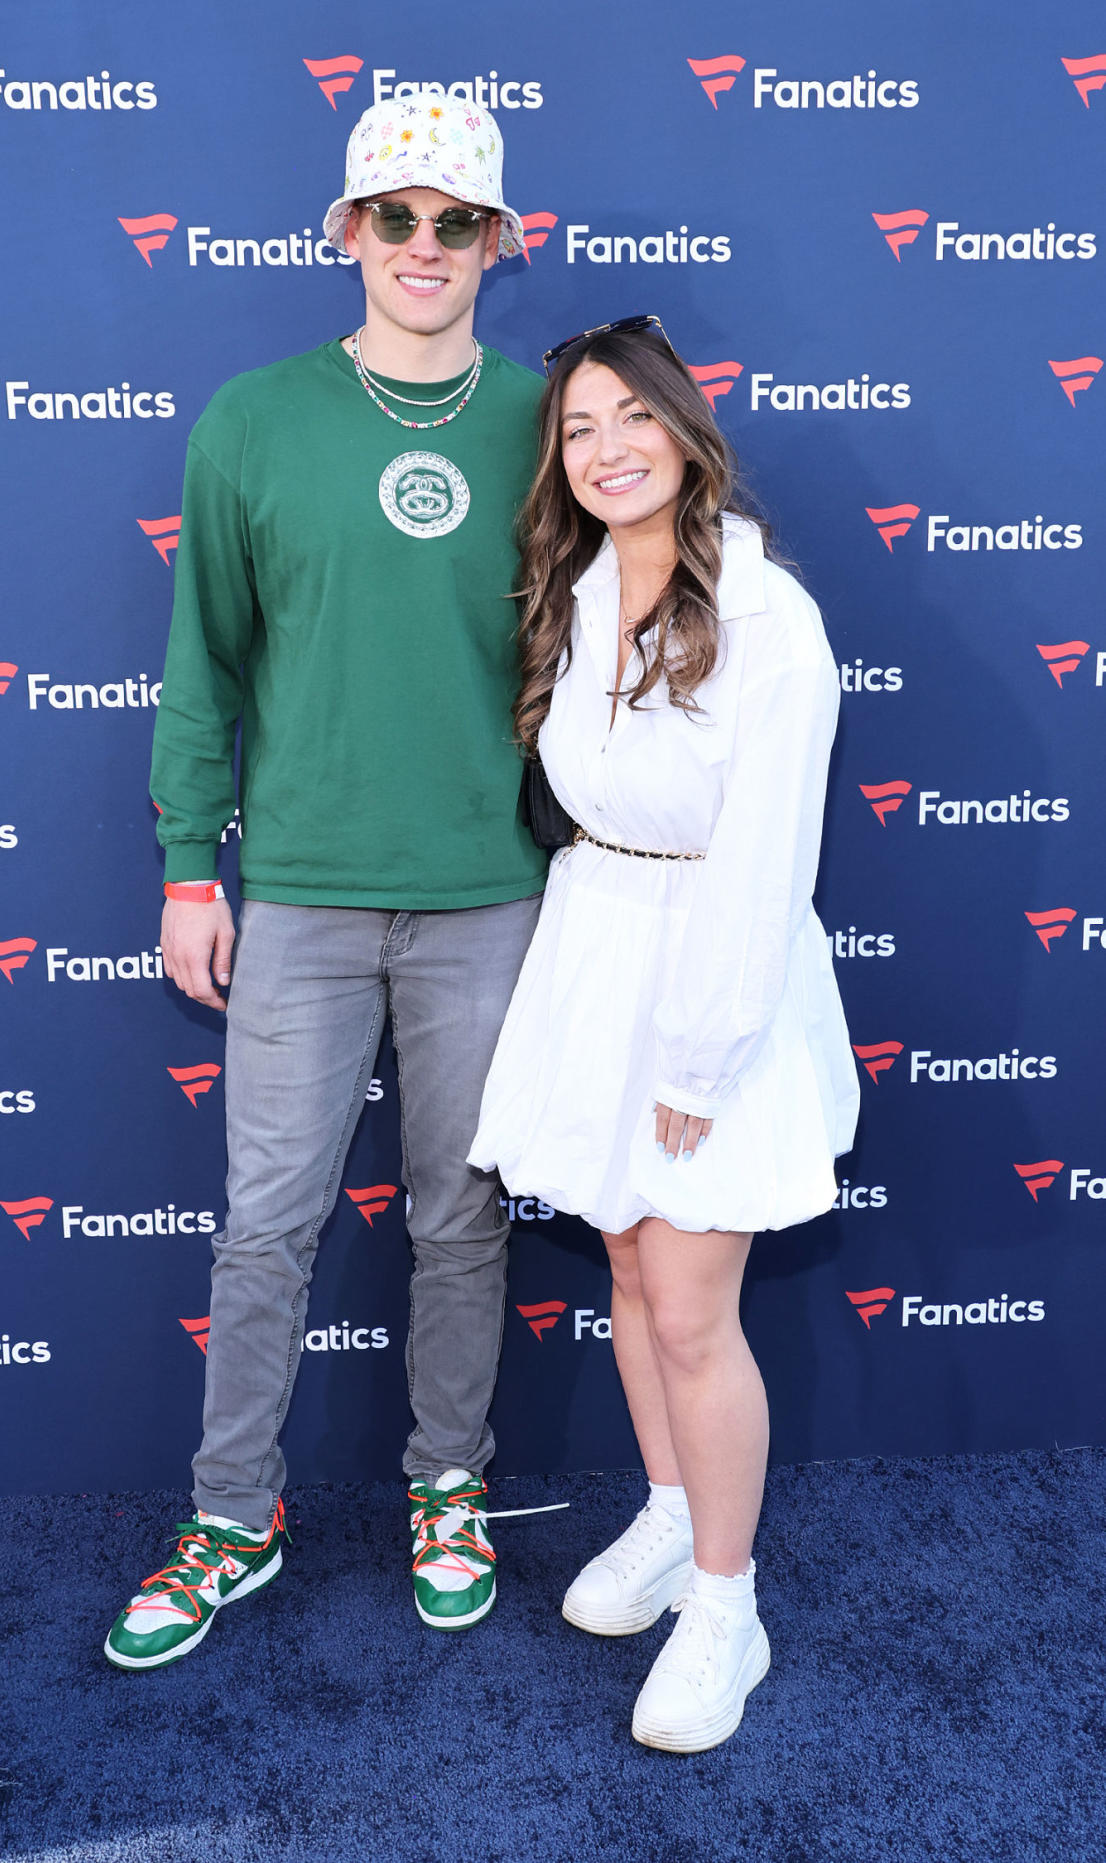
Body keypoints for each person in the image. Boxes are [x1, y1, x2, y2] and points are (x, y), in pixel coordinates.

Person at [104, 95, 548, 1671]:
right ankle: (235, 1513)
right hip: (292, 892)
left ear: (500, 243)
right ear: (346, 232)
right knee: (265, 1228)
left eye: (457, 223)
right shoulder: (251, 420)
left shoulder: (556, 422)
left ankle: (448, 1489)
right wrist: (185, 868)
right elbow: (198, 664)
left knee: (464, 1219)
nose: (424, 249)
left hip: (494, 893)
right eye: (396, 218)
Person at [469, 315, 859, 1750]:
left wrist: (700, 1057)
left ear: (686, 433)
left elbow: (761, 865)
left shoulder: (769, 621)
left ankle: (724, 1605)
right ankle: (669, 1514)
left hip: (712, 979)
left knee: (693, 1315)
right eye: (577, 428)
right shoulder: (570, 596)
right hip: (598, 954)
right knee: (632, 1277)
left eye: (631, 417)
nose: (606, 448)